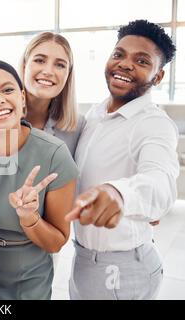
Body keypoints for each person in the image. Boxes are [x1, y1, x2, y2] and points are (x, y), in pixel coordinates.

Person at [65, 20, 179, 300]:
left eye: (141, 60)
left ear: (159, 76)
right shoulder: (96, 113)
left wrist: (119, 193)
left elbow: (160, 181)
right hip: (83, 258)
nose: (125, 64)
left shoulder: (153, 124)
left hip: (119, 270)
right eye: (119, 54)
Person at [0, 60, 78, 299]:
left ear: (23, 98)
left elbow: (56, 242)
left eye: (7, 90)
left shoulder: (53, 154)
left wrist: (30, 218)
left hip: (26, 280)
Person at [19, 32, 85, 157]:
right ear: (24, 66)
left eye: (60, 65)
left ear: (68, 75)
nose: (48, 72)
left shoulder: (78, 127)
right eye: (39, 60)